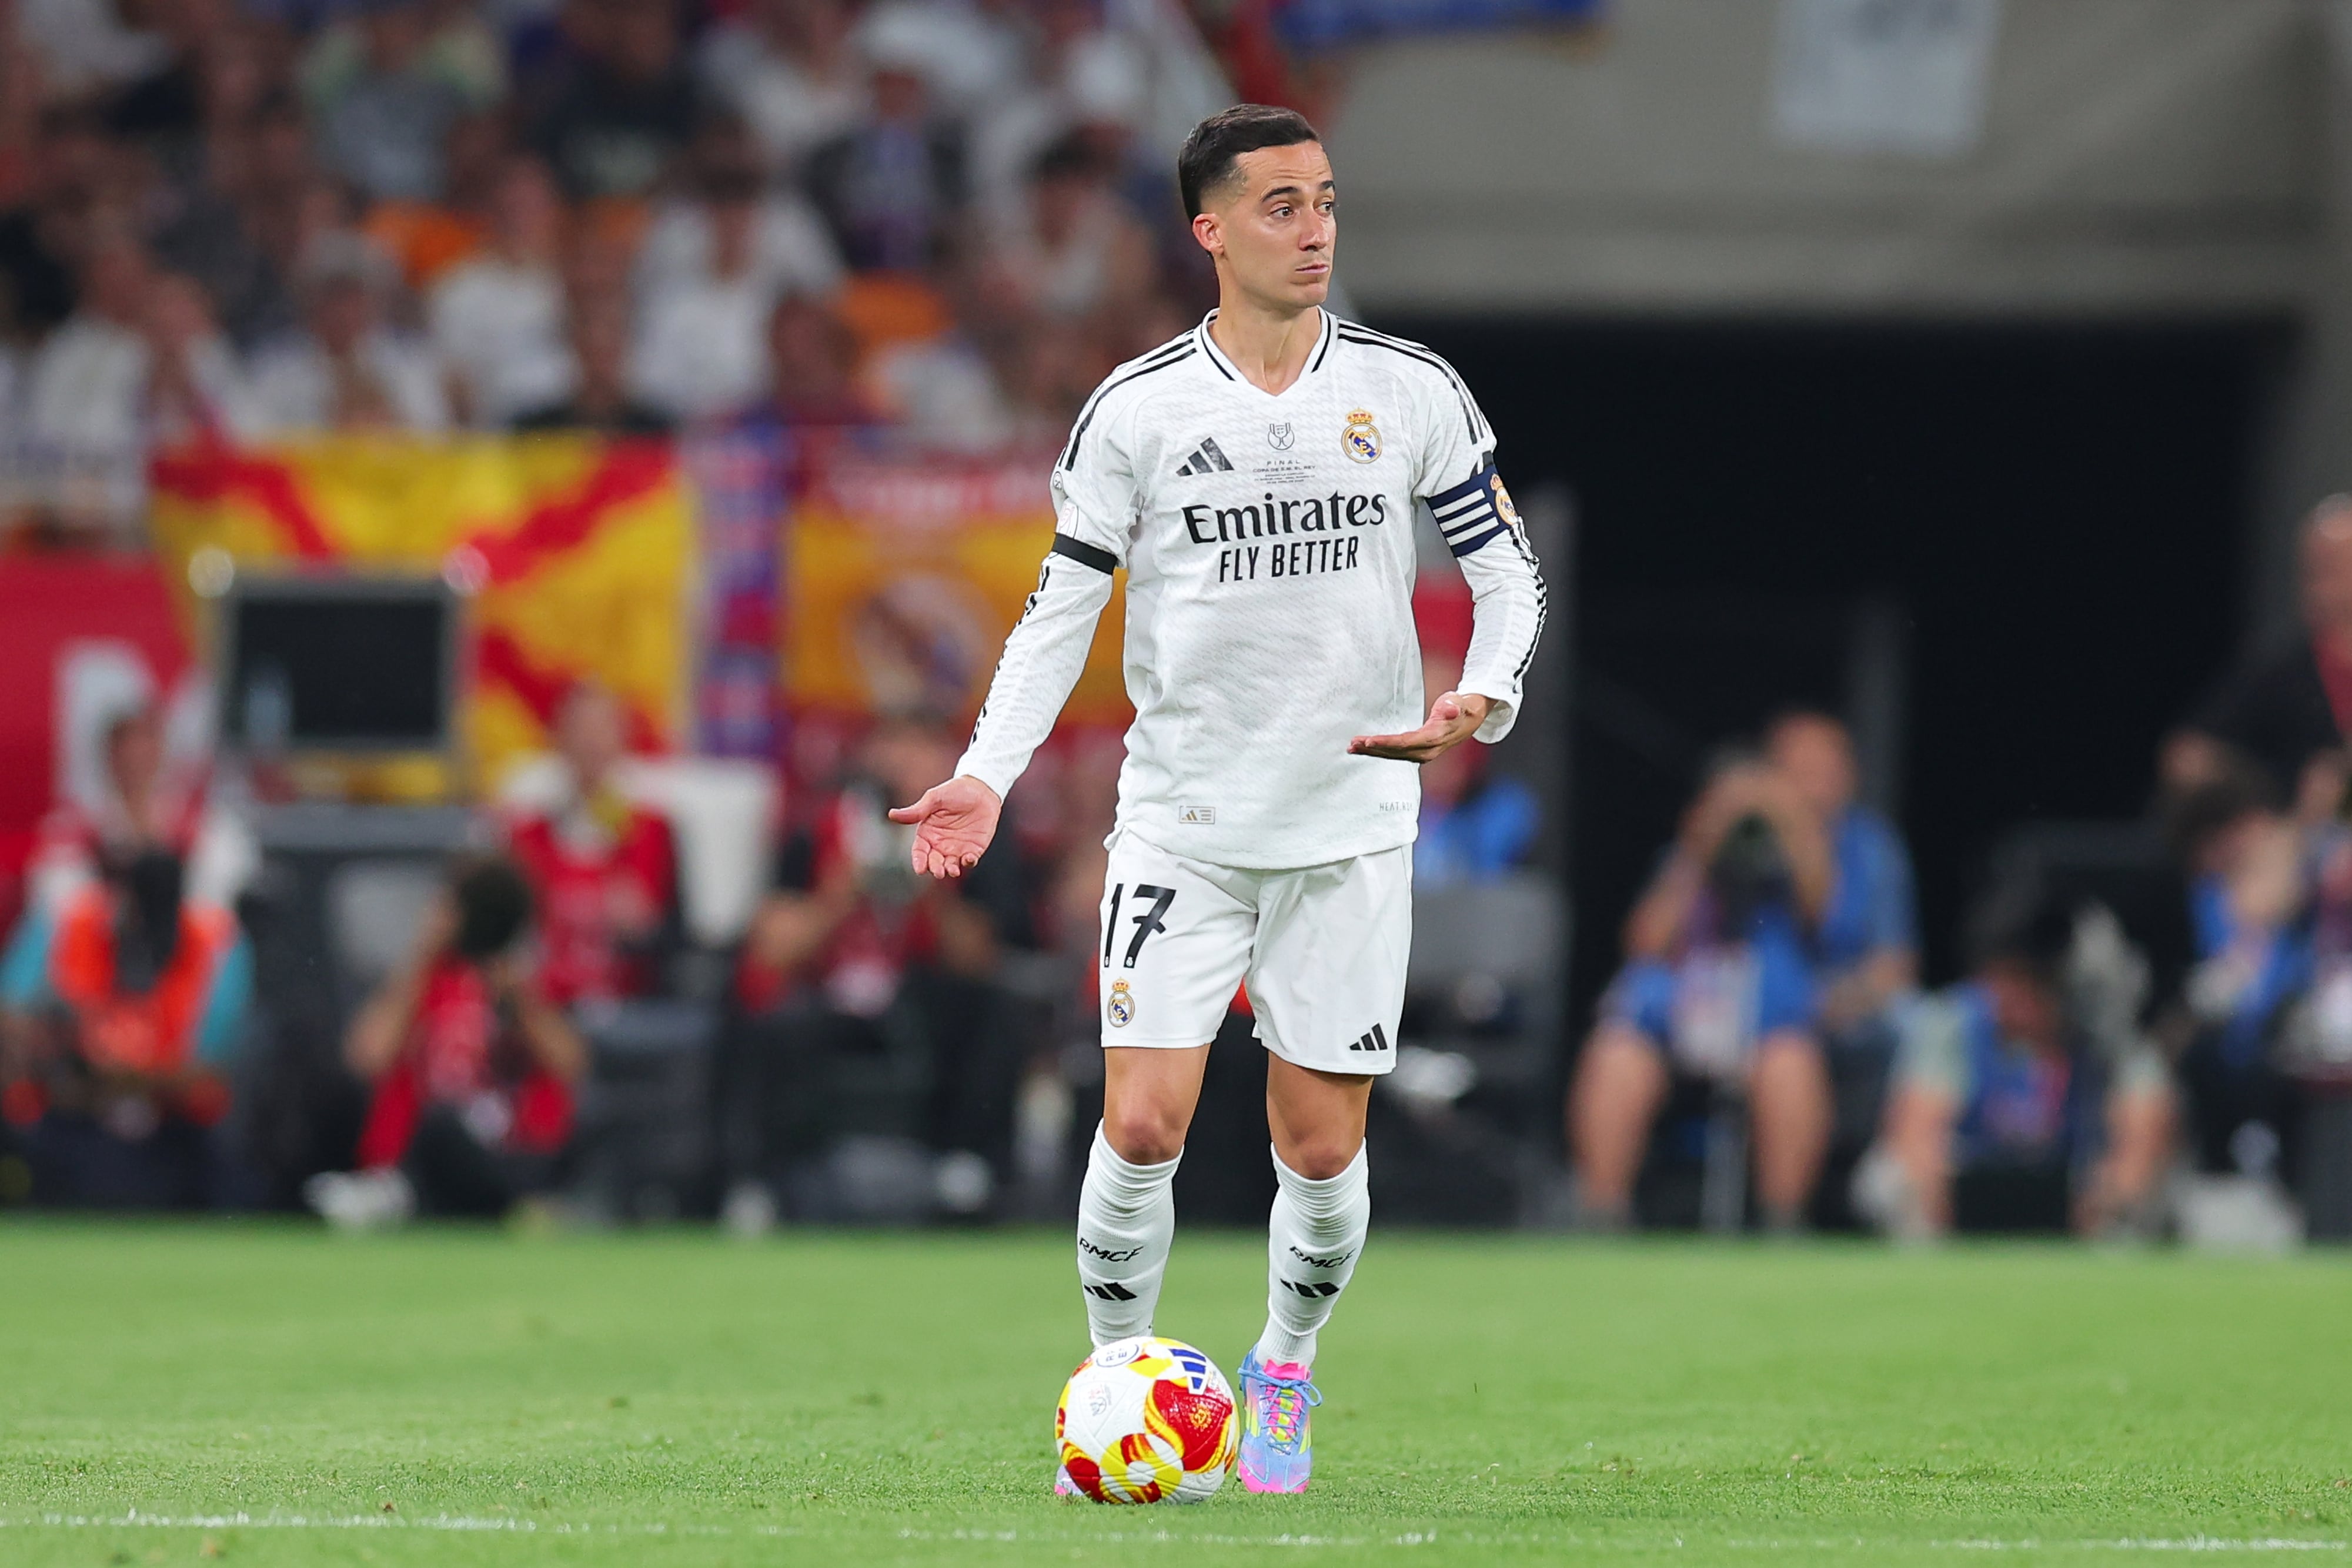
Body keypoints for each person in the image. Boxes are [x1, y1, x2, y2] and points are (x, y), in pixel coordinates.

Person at [888, 105, 1546, 1495]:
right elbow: (1056, 613)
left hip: (1350, 822)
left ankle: (1286, 1368)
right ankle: (1112, 1384)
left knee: (1317, 1149)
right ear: (1210, 231)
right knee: (1142, 1125)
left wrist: (1486, 689)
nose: (1313, 231)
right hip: (1184, 822)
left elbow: (1506, 577)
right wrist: (985, 776)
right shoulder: (1138, 411)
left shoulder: (1407, 388)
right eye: (1280, 209)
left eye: (1323, 204)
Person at [1566, 752, 1835, 1232]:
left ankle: (1782, 1222)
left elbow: (1822, 914)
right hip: (1683, 1013)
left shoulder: (1799, 857)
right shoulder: (1689, 859)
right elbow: (1644, 941)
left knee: (1789, 1066)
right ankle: (1601, 1214)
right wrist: (1703, 841)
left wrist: (1784, 817)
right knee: (1616, 1054)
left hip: (1765, 1023)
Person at [1853, 892, 2175, 1240]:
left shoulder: (2107, 1042)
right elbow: (1914, 1136)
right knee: (1887, 1182)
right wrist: (1942, 1191)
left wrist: (2110, 1194)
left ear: (2060, 986)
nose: (2006, 1003)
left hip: (2078, 1206)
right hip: (1959, 1195)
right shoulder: (1955, 1024)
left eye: (2024, 987)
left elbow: (2140, 1145)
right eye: (1999, 983)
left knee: (2151, 1205)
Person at [306, 855, 587, 1228]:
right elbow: (367, 1057)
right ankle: (397, 1193)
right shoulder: (425, 984)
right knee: (440, 1127)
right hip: (426, 1147)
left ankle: (400, 1199)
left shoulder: (520, 989)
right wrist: (422, 956)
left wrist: (518, 994)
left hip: (500, 1153)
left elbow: (570, 1064)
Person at [0, 848, 255, 1208]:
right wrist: (49, 1051)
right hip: (74, 1113)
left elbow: (213, 1071)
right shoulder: (70, 921)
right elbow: (11, 1018)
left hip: (173, 1122)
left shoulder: (216, 945)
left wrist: (127, 1077)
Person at [2165, 497, 2352, 820]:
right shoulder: (2282, 671)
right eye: (2311, 569)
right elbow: (2187, 756)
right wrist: (2274, 800)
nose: (2316, 585)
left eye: (2332, 568)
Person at [502, 683, 678, 1009]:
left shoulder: (653, 831)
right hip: (547, 1009)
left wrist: (645, 926)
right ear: (558, 740)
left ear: (622, 741)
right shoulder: (526, 837)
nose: (591, 743)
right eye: (580, 729)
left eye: (602, 729)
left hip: (627, 1007)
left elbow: (671, 934)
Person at [1765, 711, 1917, 1048]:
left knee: (1922, 1024)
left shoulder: (1875, 847)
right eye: (1802, 772)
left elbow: (1895, 967)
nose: (1814, 789)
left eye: (1826, 772)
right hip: (1747, 1011)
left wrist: (1828, 1006)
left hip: (1833, 1013)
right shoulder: (1743, 837)